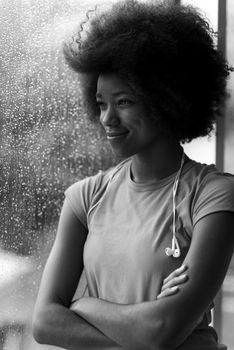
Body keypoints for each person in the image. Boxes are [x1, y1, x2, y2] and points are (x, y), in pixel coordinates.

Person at [32, 1, 234, 349]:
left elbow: (162, 330)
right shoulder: (85, 198)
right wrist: (142, 332)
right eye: (101, 103)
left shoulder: (213, 195)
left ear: (166, 99)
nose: (107, 118)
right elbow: (45, 323)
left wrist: (83, 305)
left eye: (123, 102)